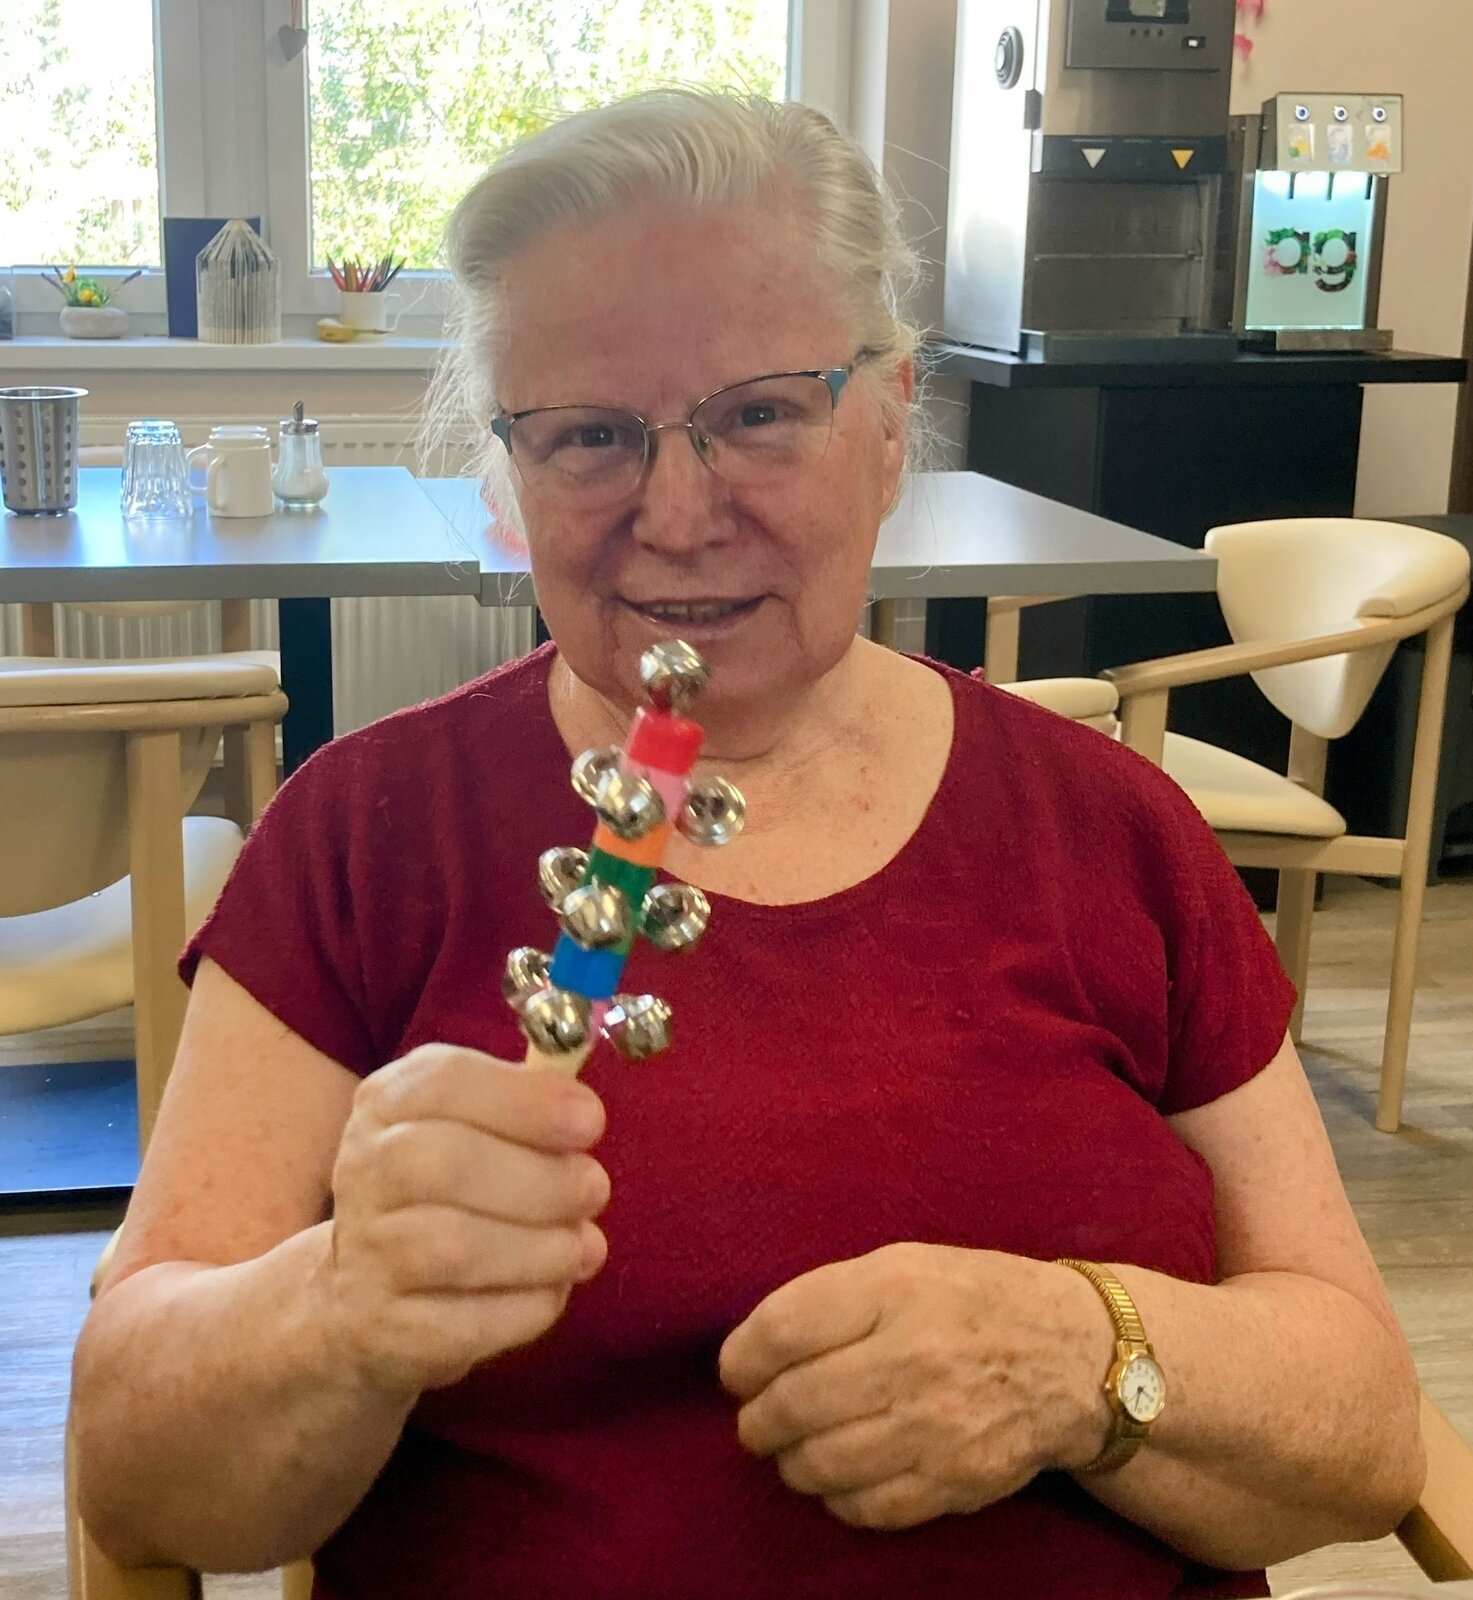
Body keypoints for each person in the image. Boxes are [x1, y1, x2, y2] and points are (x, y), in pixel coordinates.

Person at [73, 89, 1424, 1600]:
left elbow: (1369, 1436)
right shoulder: (367, 833)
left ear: (890, 423)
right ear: (510, 473)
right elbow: (136, 1476)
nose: (677, 515)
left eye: (761, 414)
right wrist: (334, 1311)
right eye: (590, 436)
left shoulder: (1111, 831)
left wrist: (1080, 1358)